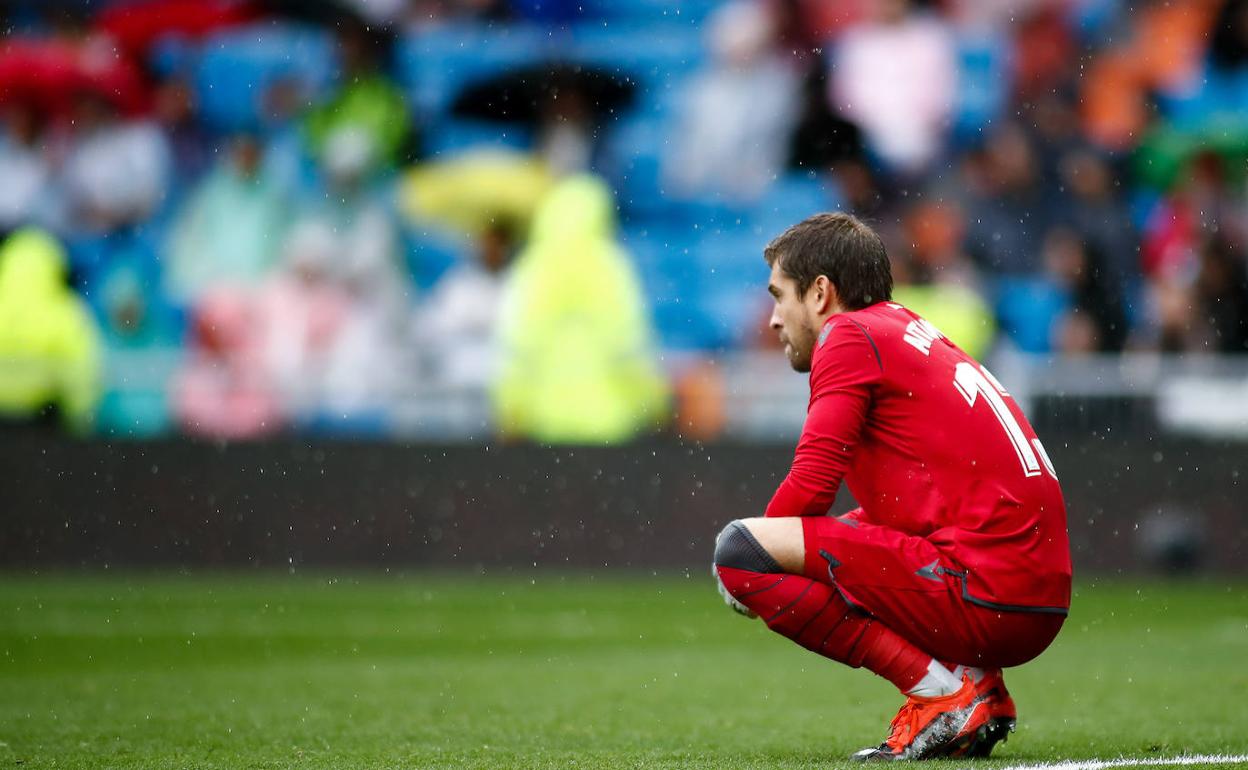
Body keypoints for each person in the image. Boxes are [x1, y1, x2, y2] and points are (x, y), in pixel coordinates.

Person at [712, 213, 1071, 760]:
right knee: (843, 533)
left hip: (988, 590)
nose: (773, 321)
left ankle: (942, 696)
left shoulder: (848, 334)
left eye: (778, 296)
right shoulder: (901, 327)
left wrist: (761, 552)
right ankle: (978, 687)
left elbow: (812, 484)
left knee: (739, 552)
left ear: (820, 293)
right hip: (1031, 594)